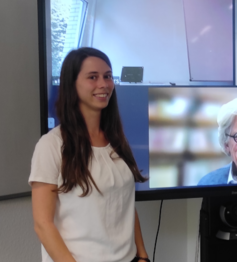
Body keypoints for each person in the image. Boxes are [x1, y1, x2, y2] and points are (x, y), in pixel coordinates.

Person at [29, 48, 151, 262]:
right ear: (72, 84)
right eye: (93, 77)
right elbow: (43, 224)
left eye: (107, 76)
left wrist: (142, 255)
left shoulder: (116, 140)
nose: (103, 84)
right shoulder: (51, 146)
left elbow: (126, 206)